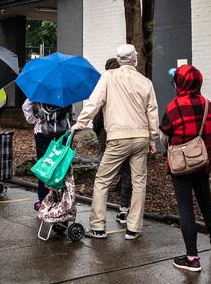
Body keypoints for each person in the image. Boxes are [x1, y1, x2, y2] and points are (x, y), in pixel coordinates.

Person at [71, 44, 158, 240]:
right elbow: (152, 112)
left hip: (118, 137)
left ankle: (98, 227)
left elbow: (95, 102)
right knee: (139, 182)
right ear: (135, 59)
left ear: (118, 60)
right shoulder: (145, 82)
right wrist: (153, 139)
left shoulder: (108, 77)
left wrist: (81, 123)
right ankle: (133, 228)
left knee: (102, 180)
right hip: (142, 136)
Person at [159, 64, 211, 272]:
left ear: (179, 83)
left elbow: (164, 136)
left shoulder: (173, 107)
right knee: (207, 204)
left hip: (180, 166)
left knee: (186, 208)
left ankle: (192, 258)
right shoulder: (208, 105)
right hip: (202, 163)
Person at [93, 57, 132, 225]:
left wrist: (97, 131)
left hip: (109, 137)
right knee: (127, 174)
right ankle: (125, 209)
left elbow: (98, 118)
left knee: (102, 178)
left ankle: (98, 223)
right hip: (130, 136)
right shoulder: (130, 87)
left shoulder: (106, 86)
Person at [22, 98, 73, 209]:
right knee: (61, 166)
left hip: (43, 131)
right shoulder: (66, 90)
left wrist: (34, 120)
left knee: (44, 165)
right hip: (64, 132)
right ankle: (61, 200)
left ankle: (43, 200)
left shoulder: (41, 88)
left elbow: (26, 106)